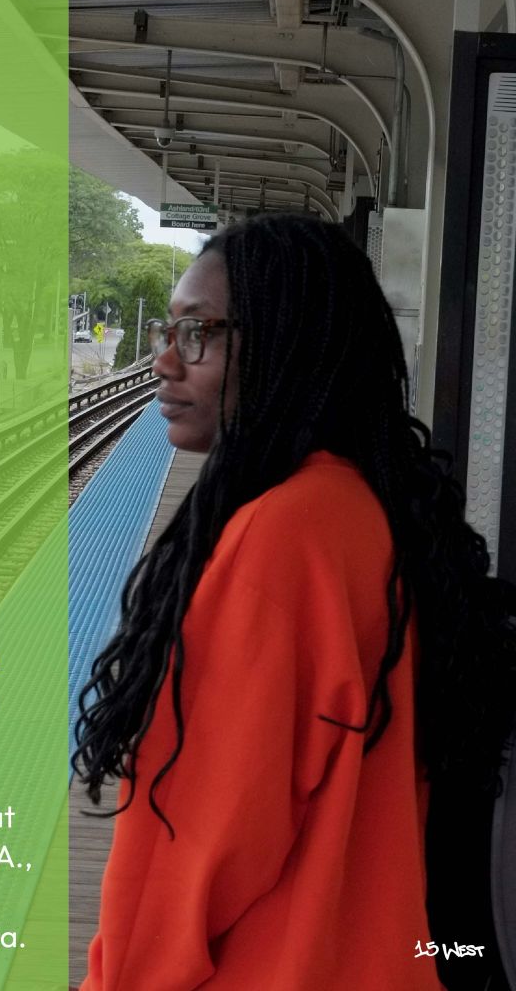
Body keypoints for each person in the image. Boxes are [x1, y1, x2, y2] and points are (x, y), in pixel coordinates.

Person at [73, 214, 516, 990]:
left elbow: (199, 851)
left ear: (284, 342)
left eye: (199, 334)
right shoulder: (367, 511)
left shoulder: (281, 540)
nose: (166, 362)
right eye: (165, 331)